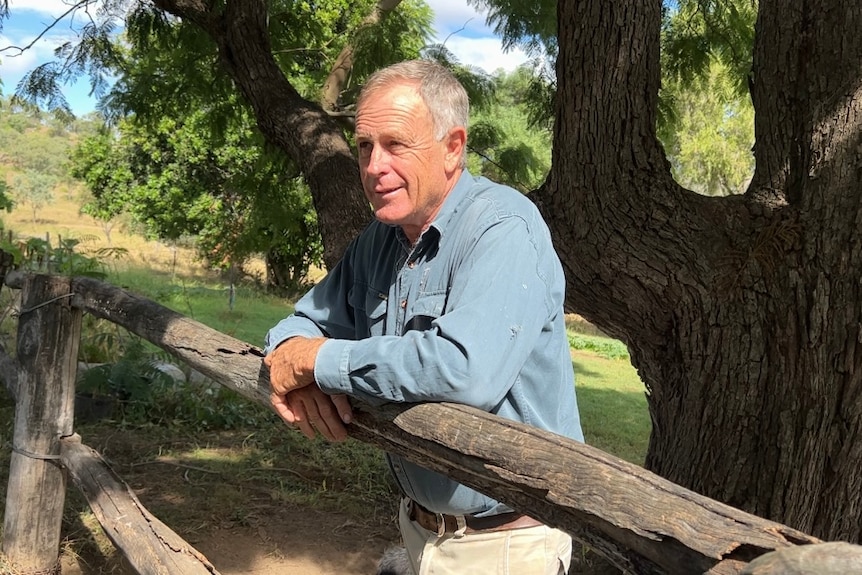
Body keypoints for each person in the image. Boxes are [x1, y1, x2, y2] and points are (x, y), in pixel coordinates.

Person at [264, 59, 583, 575]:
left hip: (506, 546)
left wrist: (319, 363)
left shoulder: (503, 227)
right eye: (365, 146)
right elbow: (300, 324)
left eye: (396, 145)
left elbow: (464, 369)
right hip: (419, 529)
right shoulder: (383, 238)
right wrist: (291, 360)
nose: (373, 166)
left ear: (453, 147)